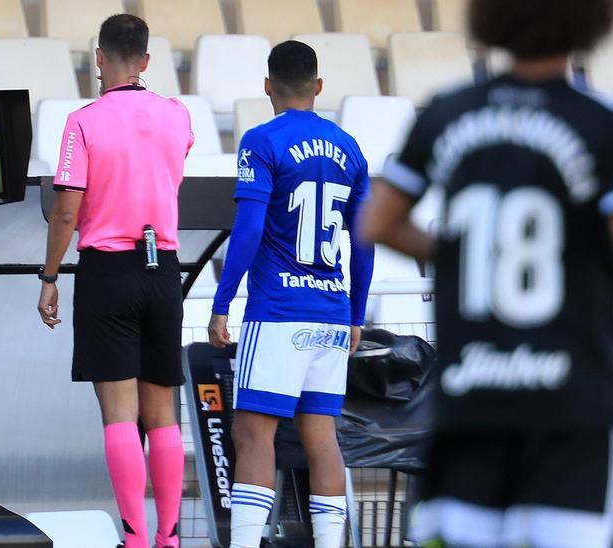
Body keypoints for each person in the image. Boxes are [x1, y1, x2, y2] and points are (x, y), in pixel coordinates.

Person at [359, 0, 613, 545]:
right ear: (590, 27)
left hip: (472, 396)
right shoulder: (604, 126)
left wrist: (462, 255)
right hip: (571, 398)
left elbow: (376, 222)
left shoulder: (449, 111)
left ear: (490, 22)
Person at [205, 40, 374, 548]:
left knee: (253, 433)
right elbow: (363, 242)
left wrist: (222, 301)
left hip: (279, 312)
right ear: (318, 86)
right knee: (321, 437)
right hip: (331, 311)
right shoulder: (349, 148)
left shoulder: (262, 141)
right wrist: (356, 314)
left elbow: (250, 228)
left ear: (267, 87)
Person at [37, 14, 192, 548]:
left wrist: (49, 276)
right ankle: (170, 538)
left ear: (98, 57)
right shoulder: (179, 116)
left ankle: (134, 537)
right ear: (147, 61)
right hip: (164, 268)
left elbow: (65, 212)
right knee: (163, 414)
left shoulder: (83, 122)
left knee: (120, 415)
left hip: (108, 269)